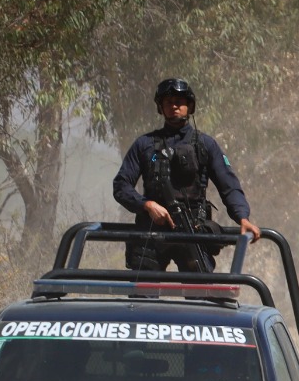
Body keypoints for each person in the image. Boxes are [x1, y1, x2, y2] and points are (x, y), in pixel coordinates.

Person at [112, 78, 261, 272]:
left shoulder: (206, 145)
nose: (173, 106)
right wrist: (147, 205)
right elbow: (121, 186)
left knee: (201, 288)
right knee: (143, 289)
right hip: (152, 230)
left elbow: (229, 185)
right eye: (168, 102)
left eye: (179, 101)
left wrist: (243, 218)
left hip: (193, 230)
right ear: (160, 107)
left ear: (190, 106)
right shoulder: (144, 144)